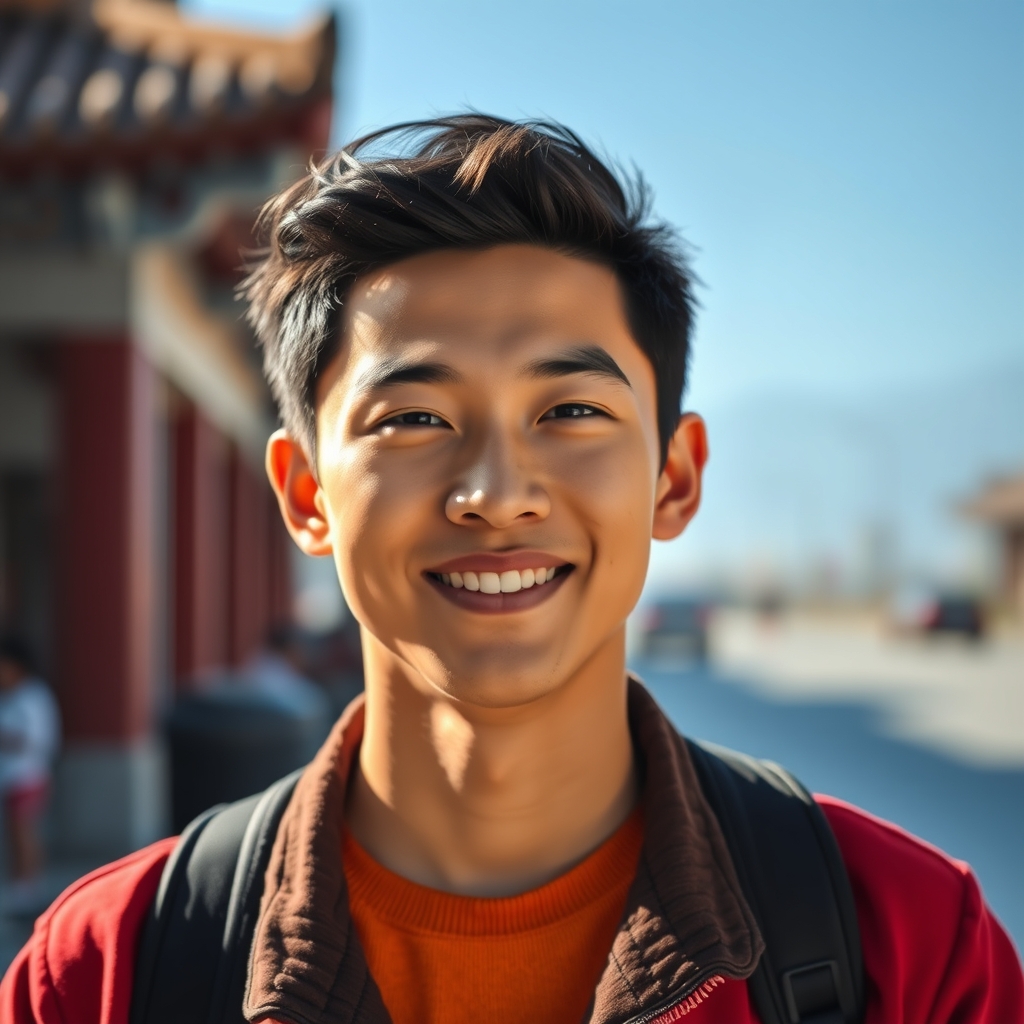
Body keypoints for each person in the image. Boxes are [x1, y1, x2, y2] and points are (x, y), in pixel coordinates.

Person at [1, 116, 1020, 1023]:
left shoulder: (909, 948)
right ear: (307, 494)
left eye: (570, 411)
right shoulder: (108, 973)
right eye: (413, 419)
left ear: (672, 478)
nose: (494, 492)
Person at [0, 632, 60, 917]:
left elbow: (36, 738)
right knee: (16, 831)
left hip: (28, 775)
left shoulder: (32, 697)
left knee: (24, 830)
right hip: (13, 775)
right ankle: (20, 885)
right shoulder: (13, 697)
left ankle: (28, 888)